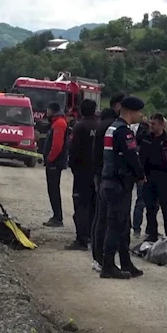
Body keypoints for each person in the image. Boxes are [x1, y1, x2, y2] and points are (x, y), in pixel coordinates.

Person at [99, 96, 146, 279]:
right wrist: (140, 175)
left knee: (122, 225)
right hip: (118, 184)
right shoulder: (124, 132)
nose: (141, 115)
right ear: (131, 112)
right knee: (116, 225)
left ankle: (125, 262)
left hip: (108, 181)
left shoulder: (112, 128)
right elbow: (131, 156)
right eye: (139, 112)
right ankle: (108, 265)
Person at [90, 92, 124, 272]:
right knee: (106, 219)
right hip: (108, 176)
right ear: (118, 106)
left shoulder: (101, 124)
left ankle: (97, 257)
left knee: (99, 217)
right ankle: (103, 258)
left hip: (99, 174)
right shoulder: (112, 126)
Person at [141, 113, 167, 242]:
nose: (151, 126)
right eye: (150, 124)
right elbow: (141, 158)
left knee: (165, 207)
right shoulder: (146, 139)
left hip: (164, 177)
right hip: (149, 176)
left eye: (153, 124)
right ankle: (152, 234)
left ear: (161, 124)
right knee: (150, 208)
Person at [66, 99, 99, 250]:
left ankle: (81, 239)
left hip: (81, 172)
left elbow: (73, 150)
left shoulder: (79, 127)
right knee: (94, 205)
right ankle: (93, 236)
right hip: (97, 172)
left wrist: (73, 167)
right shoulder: (100, 126)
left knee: (80, 205)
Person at [42, 102, 69, 227]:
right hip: (55, 162)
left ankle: (57, 218)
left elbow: (57, 145)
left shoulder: (59, 123)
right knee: (53, 189)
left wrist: (50, 159)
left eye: (47, 110)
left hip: (54, 163)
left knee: (53, 189)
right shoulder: (58, 122)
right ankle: (56, 216)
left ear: (51, 110)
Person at [131, 119, 150, 237]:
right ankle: (148, 229)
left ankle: (136, 229)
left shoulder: (137, 142)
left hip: (140, 173)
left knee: (140, 201)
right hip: (148, 173)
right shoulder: (148, 141)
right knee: (150, 203)